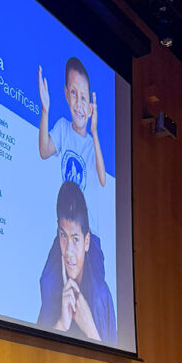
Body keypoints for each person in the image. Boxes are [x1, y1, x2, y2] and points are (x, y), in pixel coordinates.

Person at [38, 181, 117, 344]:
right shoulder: (50, 283)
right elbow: (36, 350)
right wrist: (62, 323)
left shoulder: (101, 295)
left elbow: (112, 355)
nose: (68, 251)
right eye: (63, 236)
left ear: (86, 241)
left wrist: (89, 327)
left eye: (75, 239)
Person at [38, 56, 106, 232]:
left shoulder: (92, 144)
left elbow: (102, 179)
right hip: (66, 226)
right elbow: (44, 151)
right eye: (74, 93)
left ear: (90, 108)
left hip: (88, 231)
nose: (78, 104)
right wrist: (45, 111)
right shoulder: (63, 128)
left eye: (83, 98)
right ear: (66, 94)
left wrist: (94, 132)